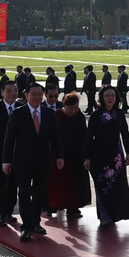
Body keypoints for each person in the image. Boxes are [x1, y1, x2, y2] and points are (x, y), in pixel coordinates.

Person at [3, 82, 52, 241]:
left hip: (43, 161)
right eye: (33, 94)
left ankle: (36, 222)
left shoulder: (48, 113)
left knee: (39, 193)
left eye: (40, 94)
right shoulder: (18, 113)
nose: (37, 97)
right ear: (26, 95)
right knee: (24, 193)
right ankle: (27, 227)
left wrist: (60, 156)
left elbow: (55, 137)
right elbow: (9, 139)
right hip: (22, 161)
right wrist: (6, 161)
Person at [86, 86, 129, 224]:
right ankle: (105, 216)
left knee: (118, 187)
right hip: (99, 157)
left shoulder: (119, 114)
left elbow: (125, 133)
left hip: (116, 158)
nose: (110, 98)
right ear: (102, 98)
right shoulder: (96, 116)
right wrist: (87, 157)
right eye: (107, 95)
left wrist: (128, 152)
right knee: (102, 187)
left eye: (112, 95)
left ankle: (117, 214)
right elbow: (89, 137)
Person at [47, 90, 91, 219]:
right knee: (57, 182)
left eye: (76, 108)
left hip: (76, 155)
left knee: (75, 182)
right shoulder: (56, 116)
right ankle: (54, 204)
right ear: (64, 106)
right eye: (71, 108)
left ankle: (73, 207)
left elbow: (84, 136)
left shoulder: (80, 117)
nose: (73, 111)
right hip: (58, 154)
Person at [0, 81, 20, 227]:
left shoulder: (21, 108)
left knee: (13, 185)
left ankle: (9, 211)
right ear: (2, 92)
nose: (12, 93)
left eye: (14, 90)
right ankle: (1, 213)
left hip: (16, 154)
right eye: (8, 91)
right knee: (0, 184)